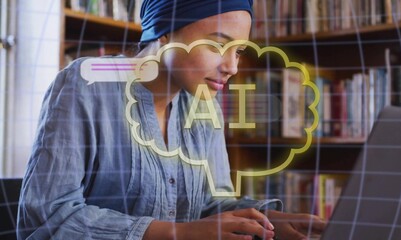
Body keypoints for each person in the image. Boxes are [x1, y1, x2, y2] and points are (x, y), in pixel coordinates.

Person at [17, 0, 325, 239]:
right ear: (165, 31)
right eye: (218, 44)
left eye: (239, 51)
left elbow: (209, 205)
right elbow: (46, 219)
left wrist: (264, 222)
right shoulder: (87, 85)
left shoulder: (205, 106)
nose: (232, 66)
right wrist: (178, 234)